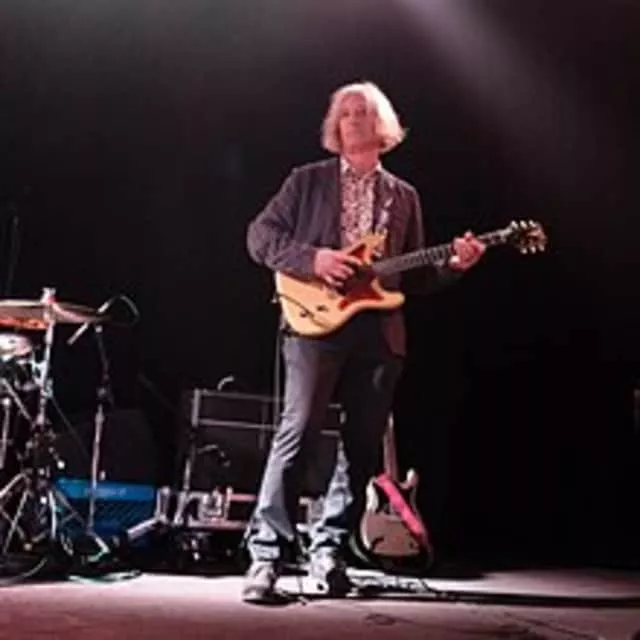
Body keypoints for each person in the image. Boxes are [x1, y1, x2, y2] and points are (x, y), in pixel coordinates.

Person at [243, 80, 485, 602]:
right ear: (335, 126)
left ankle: (329, 550)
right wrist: (315, 259)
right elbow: (259, 237)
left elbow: (414, 277)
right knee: (298, 431)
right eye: (346, 112)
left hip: (378, 332)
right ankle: (267, 555)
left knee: (361, 447)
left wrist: (454, 264)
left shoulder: (404, 196)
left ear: (383, 125)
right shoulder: (306, 181)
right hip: (313, 323)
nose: (354, 118)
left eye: (364, 111)